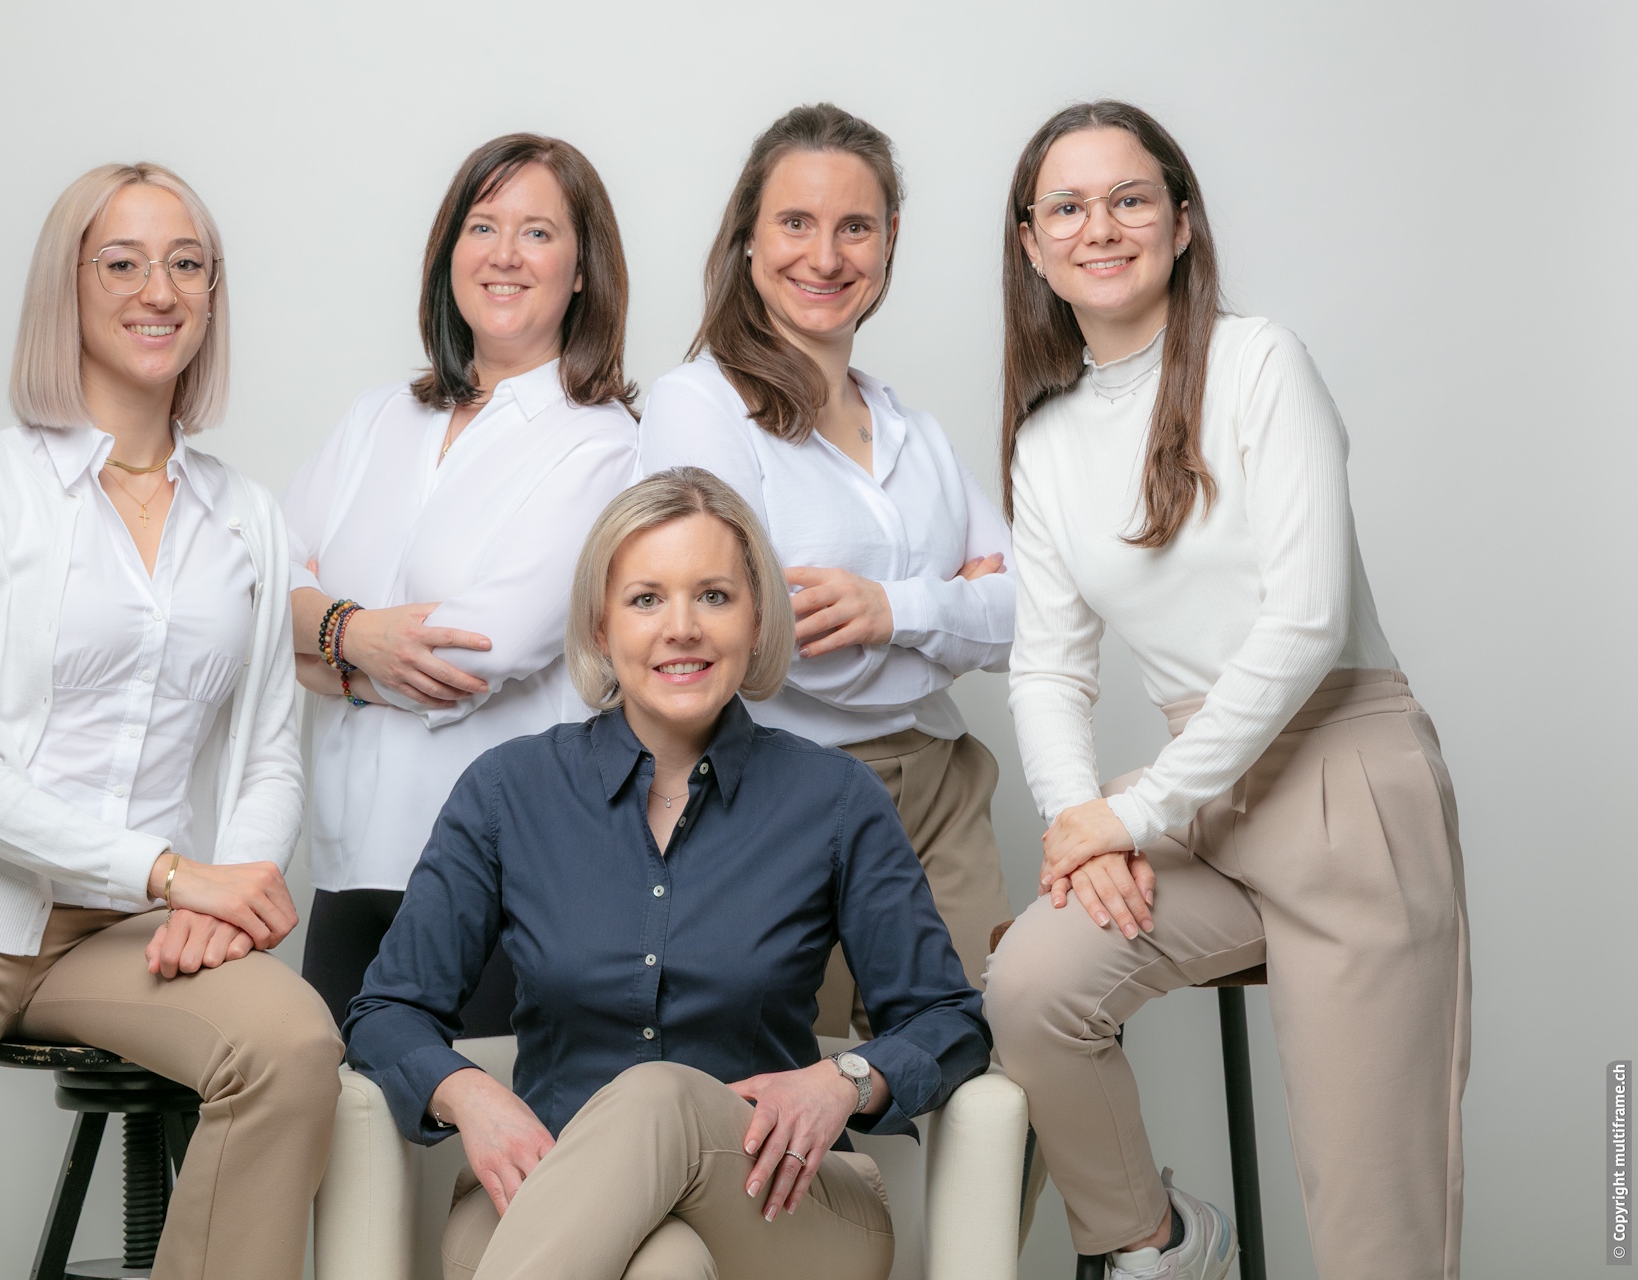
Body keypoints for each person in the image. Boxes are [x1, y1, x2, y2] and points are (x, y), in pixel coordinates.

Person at [0, 162, 343, 1280]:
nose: (160, 289)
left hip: (115, 937)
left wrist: (232, 894)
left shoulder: (246, 518)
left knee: (294, 1046)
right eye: (123, 262)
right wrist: (173, 873)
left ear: (212, 295)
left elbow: (266, 751)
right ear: (69, 284)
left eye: (187, 264)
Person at [986, 102, 1470, 1280]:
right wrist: (1080, 819)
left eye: (1130, 198)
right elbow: (1047, 663)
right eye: (1068, 207)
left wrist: (1130, 811)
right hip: (1198, 798)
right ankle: (1159, 1241)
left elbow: (1304, 624)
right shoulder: (1048, 440)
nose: (1101, 227)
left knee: (1372, 1228)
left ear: (1183, 220)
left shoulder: (1261, 363)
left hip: (1341, 780)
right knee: (1031, 985)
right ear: (1032, 244)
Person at [346, 468, 991, 1280]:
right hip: (542, 1189)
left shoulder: (835, 800)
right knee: (667, 1268)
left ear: (757, 619)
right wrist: (471, 1096)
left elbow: (949, 1020)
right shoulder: (509, 791)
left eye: (714, 596)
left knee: (658, 1093)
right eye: (646, 599)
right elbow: (388, 1011)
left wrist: (845, 1080)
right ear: (601, 624)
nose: (681, 629)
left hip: (777, 1207)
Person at [637, 103, 1015, 1042]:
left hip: (943, 790)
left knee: (986, 1057)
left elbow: (1035, 616)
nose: (826, 255)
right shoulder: (698, 407)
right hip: (786, 794)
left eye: (855, 226)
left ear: (890, 241)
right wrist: (955, 610)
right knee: (814, 1085)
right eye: (796, 222)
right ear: (749, 237)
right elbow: (750, 637)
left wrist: (892, 609)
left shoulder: (912, 429)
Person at [284, 134, 638, 1033]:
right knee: (326, 1114)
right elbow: (252, 592)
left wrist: (321, 649)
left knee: (472, 1121)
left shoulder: (603, 446)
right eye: (482, 227)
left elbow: (481, 652)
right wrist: (356, 637)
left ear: (583, 270)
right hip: (345, 867)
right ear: (450, 252)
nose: (504, 255)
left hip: (500, 874)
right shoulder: (376, 418)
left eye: (537, 232)